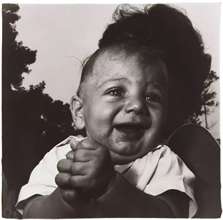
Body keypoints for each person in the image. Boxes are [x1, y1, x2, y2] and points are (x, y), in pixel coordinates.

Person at [16, 4, 212, 218]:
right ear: (80, 112)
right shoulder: (62, 155)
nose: (137, 105)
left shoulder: (164, 160)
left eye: (153, 96)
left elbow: (172, 214)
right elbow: (32, 214)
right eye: (117, 91)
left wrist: (110, 187)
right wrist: (66, 198)